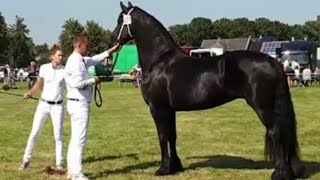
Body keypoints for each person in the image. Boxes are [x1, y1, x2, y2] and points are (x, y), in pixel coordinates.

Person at [64, 34, 120, 180]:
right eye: (86, 45)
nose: (88, 48)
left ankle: (72, 170)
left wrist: (111, 50)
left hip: (77, 102)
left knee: (75, 139)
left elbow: (95, 58)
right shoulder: (75, 62)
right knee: (79, 140)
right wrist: (93, 80)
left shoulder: (80, 59)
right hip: (79, 103)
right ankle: (77, 174)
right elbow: (78, 84)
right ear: (80, 45)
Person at [19, 44, 65, 171]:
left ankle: (59, 163)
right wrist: (30, 93)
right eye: (58, 55)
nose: (61, 57)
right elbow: (39, 85)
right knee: (34, 132)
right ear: (52, 57)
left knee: (58, 135)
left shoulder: (64, 70)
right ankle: (26, 160)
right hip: (43, 104)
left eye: (62, 55)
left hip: (58, 106)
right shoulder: (44, 68)